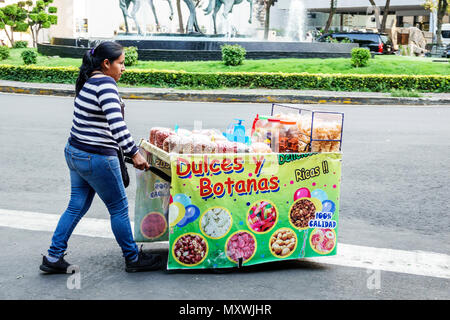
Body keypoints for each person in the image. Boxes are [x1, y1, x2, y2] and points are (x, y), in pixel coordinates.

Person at [40, 41, 162, 273]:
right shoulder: (106, 84)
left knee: (75, 206)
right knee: (118, 207)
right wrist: (134, 153)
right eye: (121, 63)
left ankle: (53, 257)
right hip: (96, 158)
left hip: (75, 152)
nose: (124, 68)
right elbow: (117, 125)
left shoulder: (89, 80)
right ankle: (133, 258)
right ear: (106, 64)